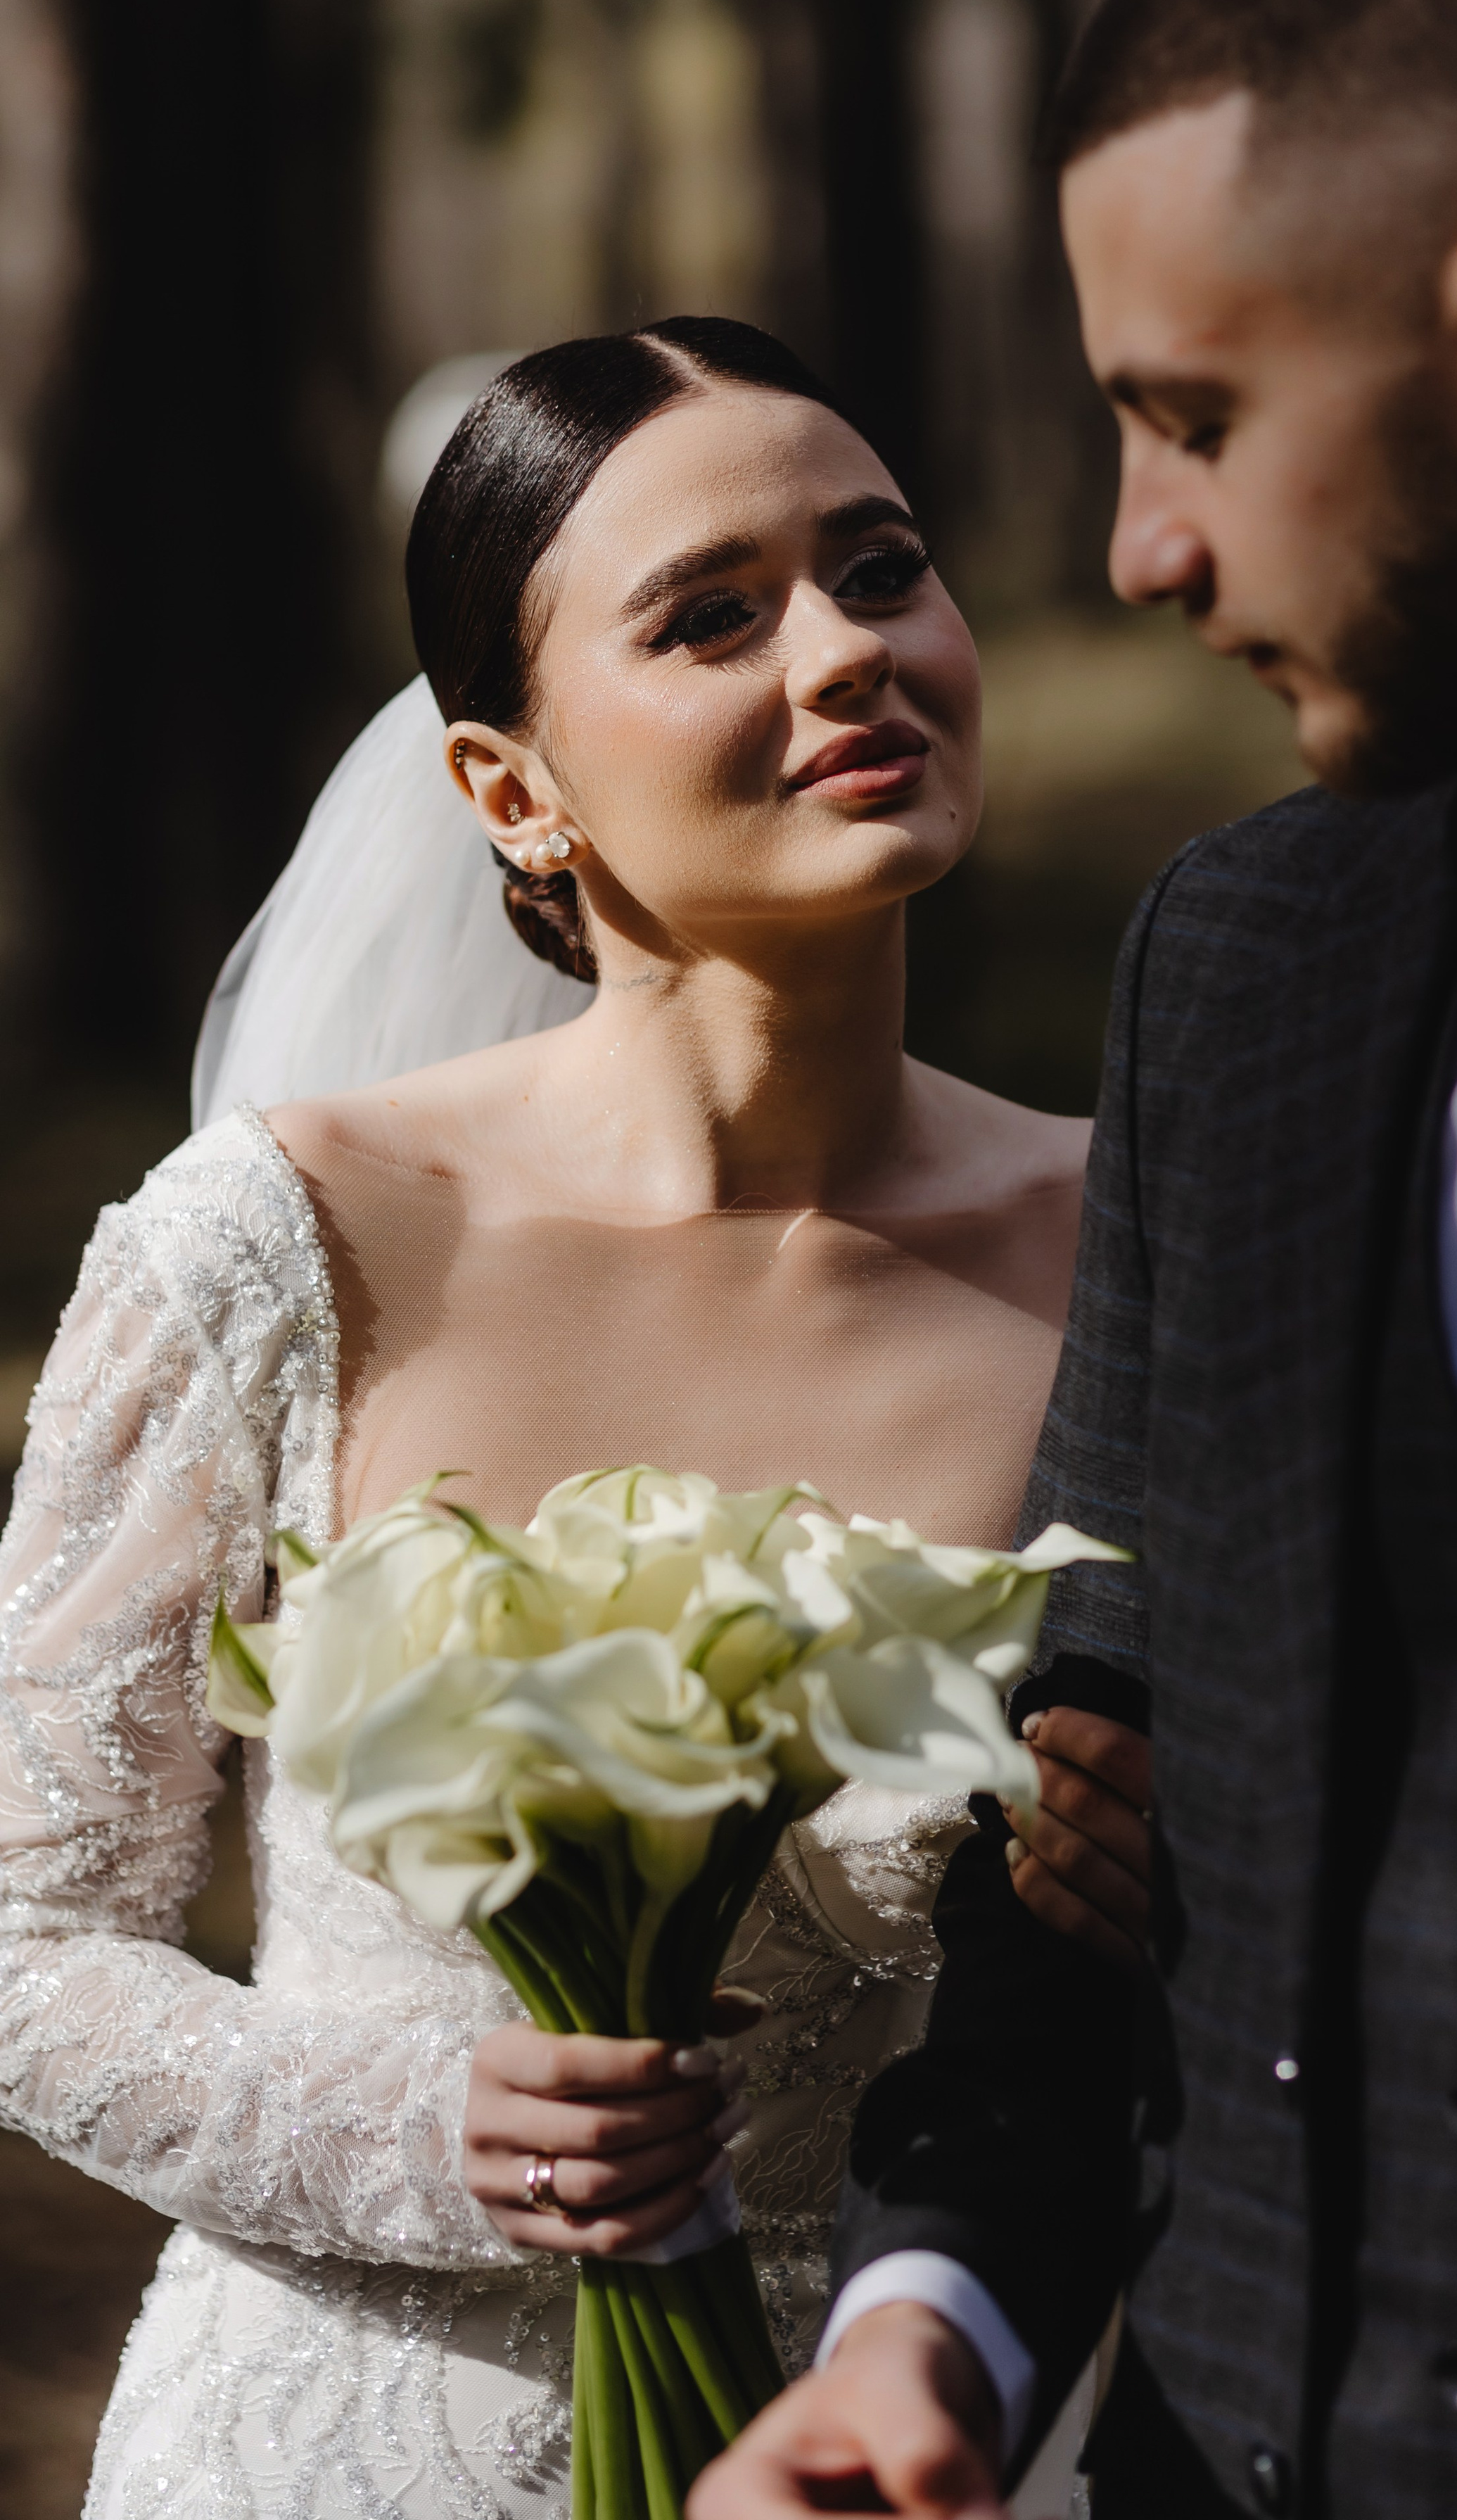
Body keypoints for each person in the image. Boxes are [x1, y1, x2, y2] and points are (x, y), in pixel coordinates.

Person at [694, 0, 1457, 2514]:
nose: (1138, 548)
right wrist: (928, 2336)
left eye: (1194, 417)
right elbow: (1087, 1863)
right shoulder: (1242, 974)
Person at [0, 316, 1148, 2518]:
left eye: (881, 568)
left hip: (908, 2449)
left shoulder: (1137, 1249)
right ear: (511, 789)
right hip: (345, 2451)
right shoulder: (280, 1246)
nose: (848, 651)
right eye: (714, 616)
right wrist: (427, 2135)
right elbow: (27, 1942)